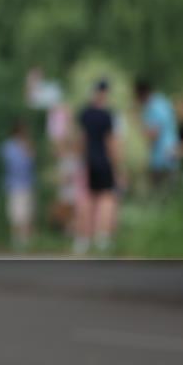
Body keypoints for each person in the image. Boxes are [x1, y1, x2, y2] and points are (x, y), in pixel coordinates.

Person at [76, 79, 122, 254]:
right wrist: (117, 165)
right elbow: (111, 142)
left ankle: (83, 239)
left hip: (88, 161)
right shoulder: (108, 115)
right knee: (106, 199)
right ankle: (102, 237)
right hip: (104, 162)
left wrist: (82, 160)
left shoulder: (84, 114)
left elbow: (81, 140)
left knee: (87, 199)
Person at [134, 79, 178, 189]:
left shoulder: (154, 107)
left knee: (161, 191)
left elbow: (154, 133)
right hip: (168, 153)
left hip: (163, 156)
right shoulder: (162, 102)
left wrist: (138, 124)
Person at [0, 120, 35, 250]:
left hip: (27, 183)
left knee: (27, 214)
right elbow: (13, 165)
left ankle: (25, 241)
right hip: (14, 184)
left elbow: (31, 163)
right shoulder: (9, 147)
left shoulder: (26, 145)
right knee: (16, 214)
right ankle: (16, 241)